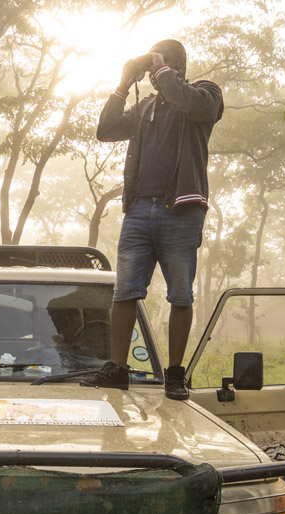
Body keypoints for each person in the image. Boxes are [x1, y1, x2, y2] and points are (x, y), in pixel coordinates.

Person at [84, 39, 223, 400]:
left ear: (179, 65)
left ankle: (175, 374)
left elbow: (190, 104)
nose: (152, 72)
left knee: (180, 293)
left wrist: (161, 69)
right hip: (139, 210)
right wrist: (122, 83)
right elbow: (106, 130)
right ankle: (117, 369)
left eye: (160, 64)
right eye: (151, 67)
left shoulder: (204, 94)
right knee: (124, 291)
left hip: (180, 208)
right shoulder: (146, 106)